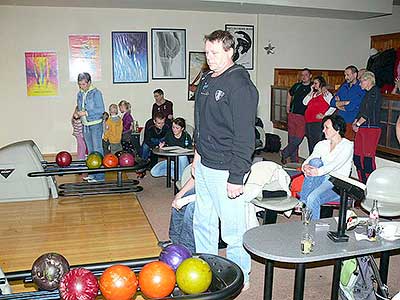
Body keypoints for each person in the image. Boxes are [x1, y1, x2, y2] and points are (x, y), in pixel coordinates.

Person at [192, 30, 259, 287]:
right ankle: (207, 270)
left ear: (230, 51)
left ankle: (240, 278)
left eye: (215, 53)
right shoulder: (207, 80)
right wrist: (197, 155)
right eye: (207, 53)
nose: (210, 58)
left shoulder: (241, 85)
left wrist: (237, 176)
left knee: (233, 230)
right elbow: (201, 123)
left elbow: (245, 137)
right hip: (206, 163)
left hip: (227, 169)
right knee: (203, 223)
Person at [299, 115, 353, 220]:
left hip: (336, 183)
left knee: (312, 198)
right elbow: (311, 158)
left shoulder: (347, 145)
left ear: (337, 129)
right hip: (321, 178)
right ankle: (305, 201)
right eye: (323, 127)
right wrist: (304, 166)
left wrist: (317, 172)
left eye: (326, 127)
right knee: (315, 161)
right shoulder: (322, 144)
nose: (323, 130)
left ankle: (304, 203)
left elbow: (335, 164)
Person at [352, 71, 382, 183]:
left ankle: (370, 184)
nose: (360, 84)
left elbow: (368, 112)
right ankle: (362, 182)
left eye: (361, 81)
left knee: (368, 159)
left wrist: (358, 124)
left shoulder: (375, 92)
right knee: (357, 157)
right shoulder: (367, 94)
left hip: (371, 128)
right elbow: (361, 111)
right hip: (363, 128)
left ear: (368, 80)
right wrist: (356, 122)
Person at [76, 72, 105, 183]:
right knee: (91, 151)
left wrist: (86, 113)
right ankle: (93, 175)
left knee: (97, 150)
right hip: (85, 125)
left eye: (83, 84)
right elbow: (80, 107)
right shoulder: (79, 94)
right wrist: (78, 113)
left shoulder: (96, 93)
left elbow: (101, 110)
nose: (81, 86)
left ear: (89, 82)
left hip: (95, 124)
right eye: (80, 84)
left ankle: (100, 176)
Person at [281, 68, 312, 164]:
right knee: (292, 138)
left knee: (298, 139)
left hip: (304, 117)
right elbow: (290, 94)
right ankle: (294, 161)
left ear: (310, 76)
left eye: (306, 75)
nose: (304, 77)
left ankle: (285, 153)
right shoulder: (297, 86)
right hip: (293, 115)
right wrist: (288, 106)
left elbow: (323, 88)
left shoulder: (313, 87)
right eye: (302, 75)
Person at [329, 65, 366, 140]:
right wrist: (345, 102)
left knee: (348, 145)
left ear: (355, 75)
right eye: (345, 75)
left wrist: (339, 103)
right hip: (339, 121)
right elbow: (332, 102)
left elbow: (350, 107)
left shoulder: (360, 88)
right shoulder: (344, 86)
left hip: (350, 121)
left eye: (348, 75)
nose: (346, 77)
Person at [303, 76, 335, 154]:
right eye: (313, 83)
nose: (314, 85)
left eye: (316, 83)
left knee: (317, 143)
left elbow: (333, 106)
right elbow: (304, 102)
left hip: (318, 122)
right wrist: (311, 91)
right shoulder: (313, 94)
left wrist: (325, 115)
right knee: (311, 143)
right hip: (309, 122)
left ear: (321, 83)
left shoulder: (326, 94)